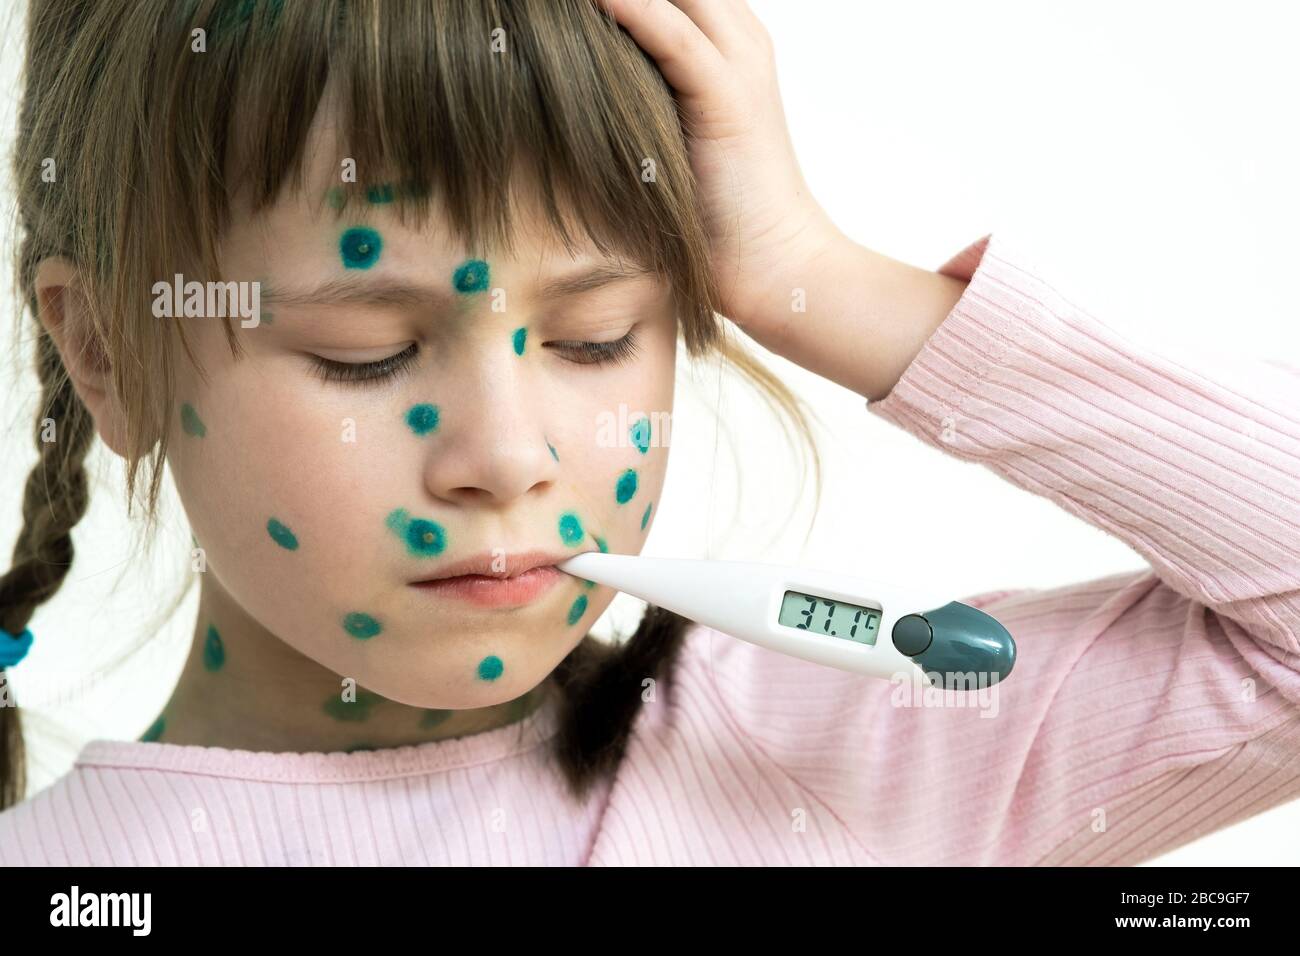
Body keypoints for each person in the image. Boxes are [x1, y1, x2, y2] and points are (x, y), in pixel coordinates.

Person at [0, 0, 1296, 865]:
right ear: (106, 350)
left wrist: (813, 275)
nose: (510, 459)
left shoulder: (828, 761)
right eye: (368, 354)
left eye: (596, 339)